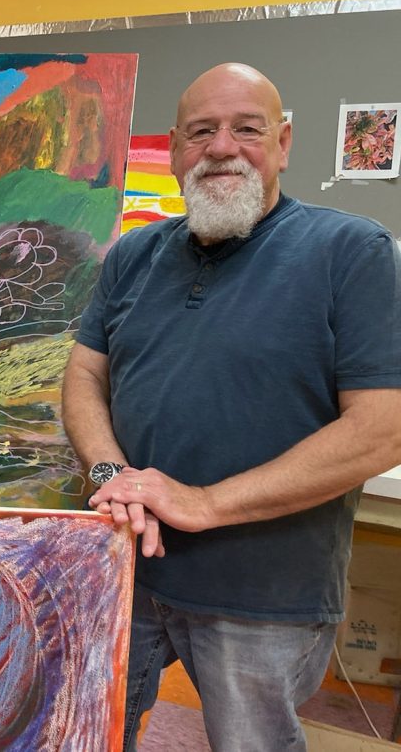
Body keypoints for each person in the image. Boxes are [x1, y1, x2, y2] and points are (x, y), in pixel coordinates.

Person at [62, 63, 401, 751]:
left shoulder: (351, 252)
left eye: (247, 129)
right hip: (122, 565)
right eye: (201, 131)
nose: (221, 147)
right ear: (175, 148)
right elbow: (84, 374)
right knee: (86, 732)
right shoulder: (133, 255)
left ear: (283, 143)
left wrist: (205, 502)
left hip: (263, 594)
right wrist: (108, 474)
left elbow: (382, 428)